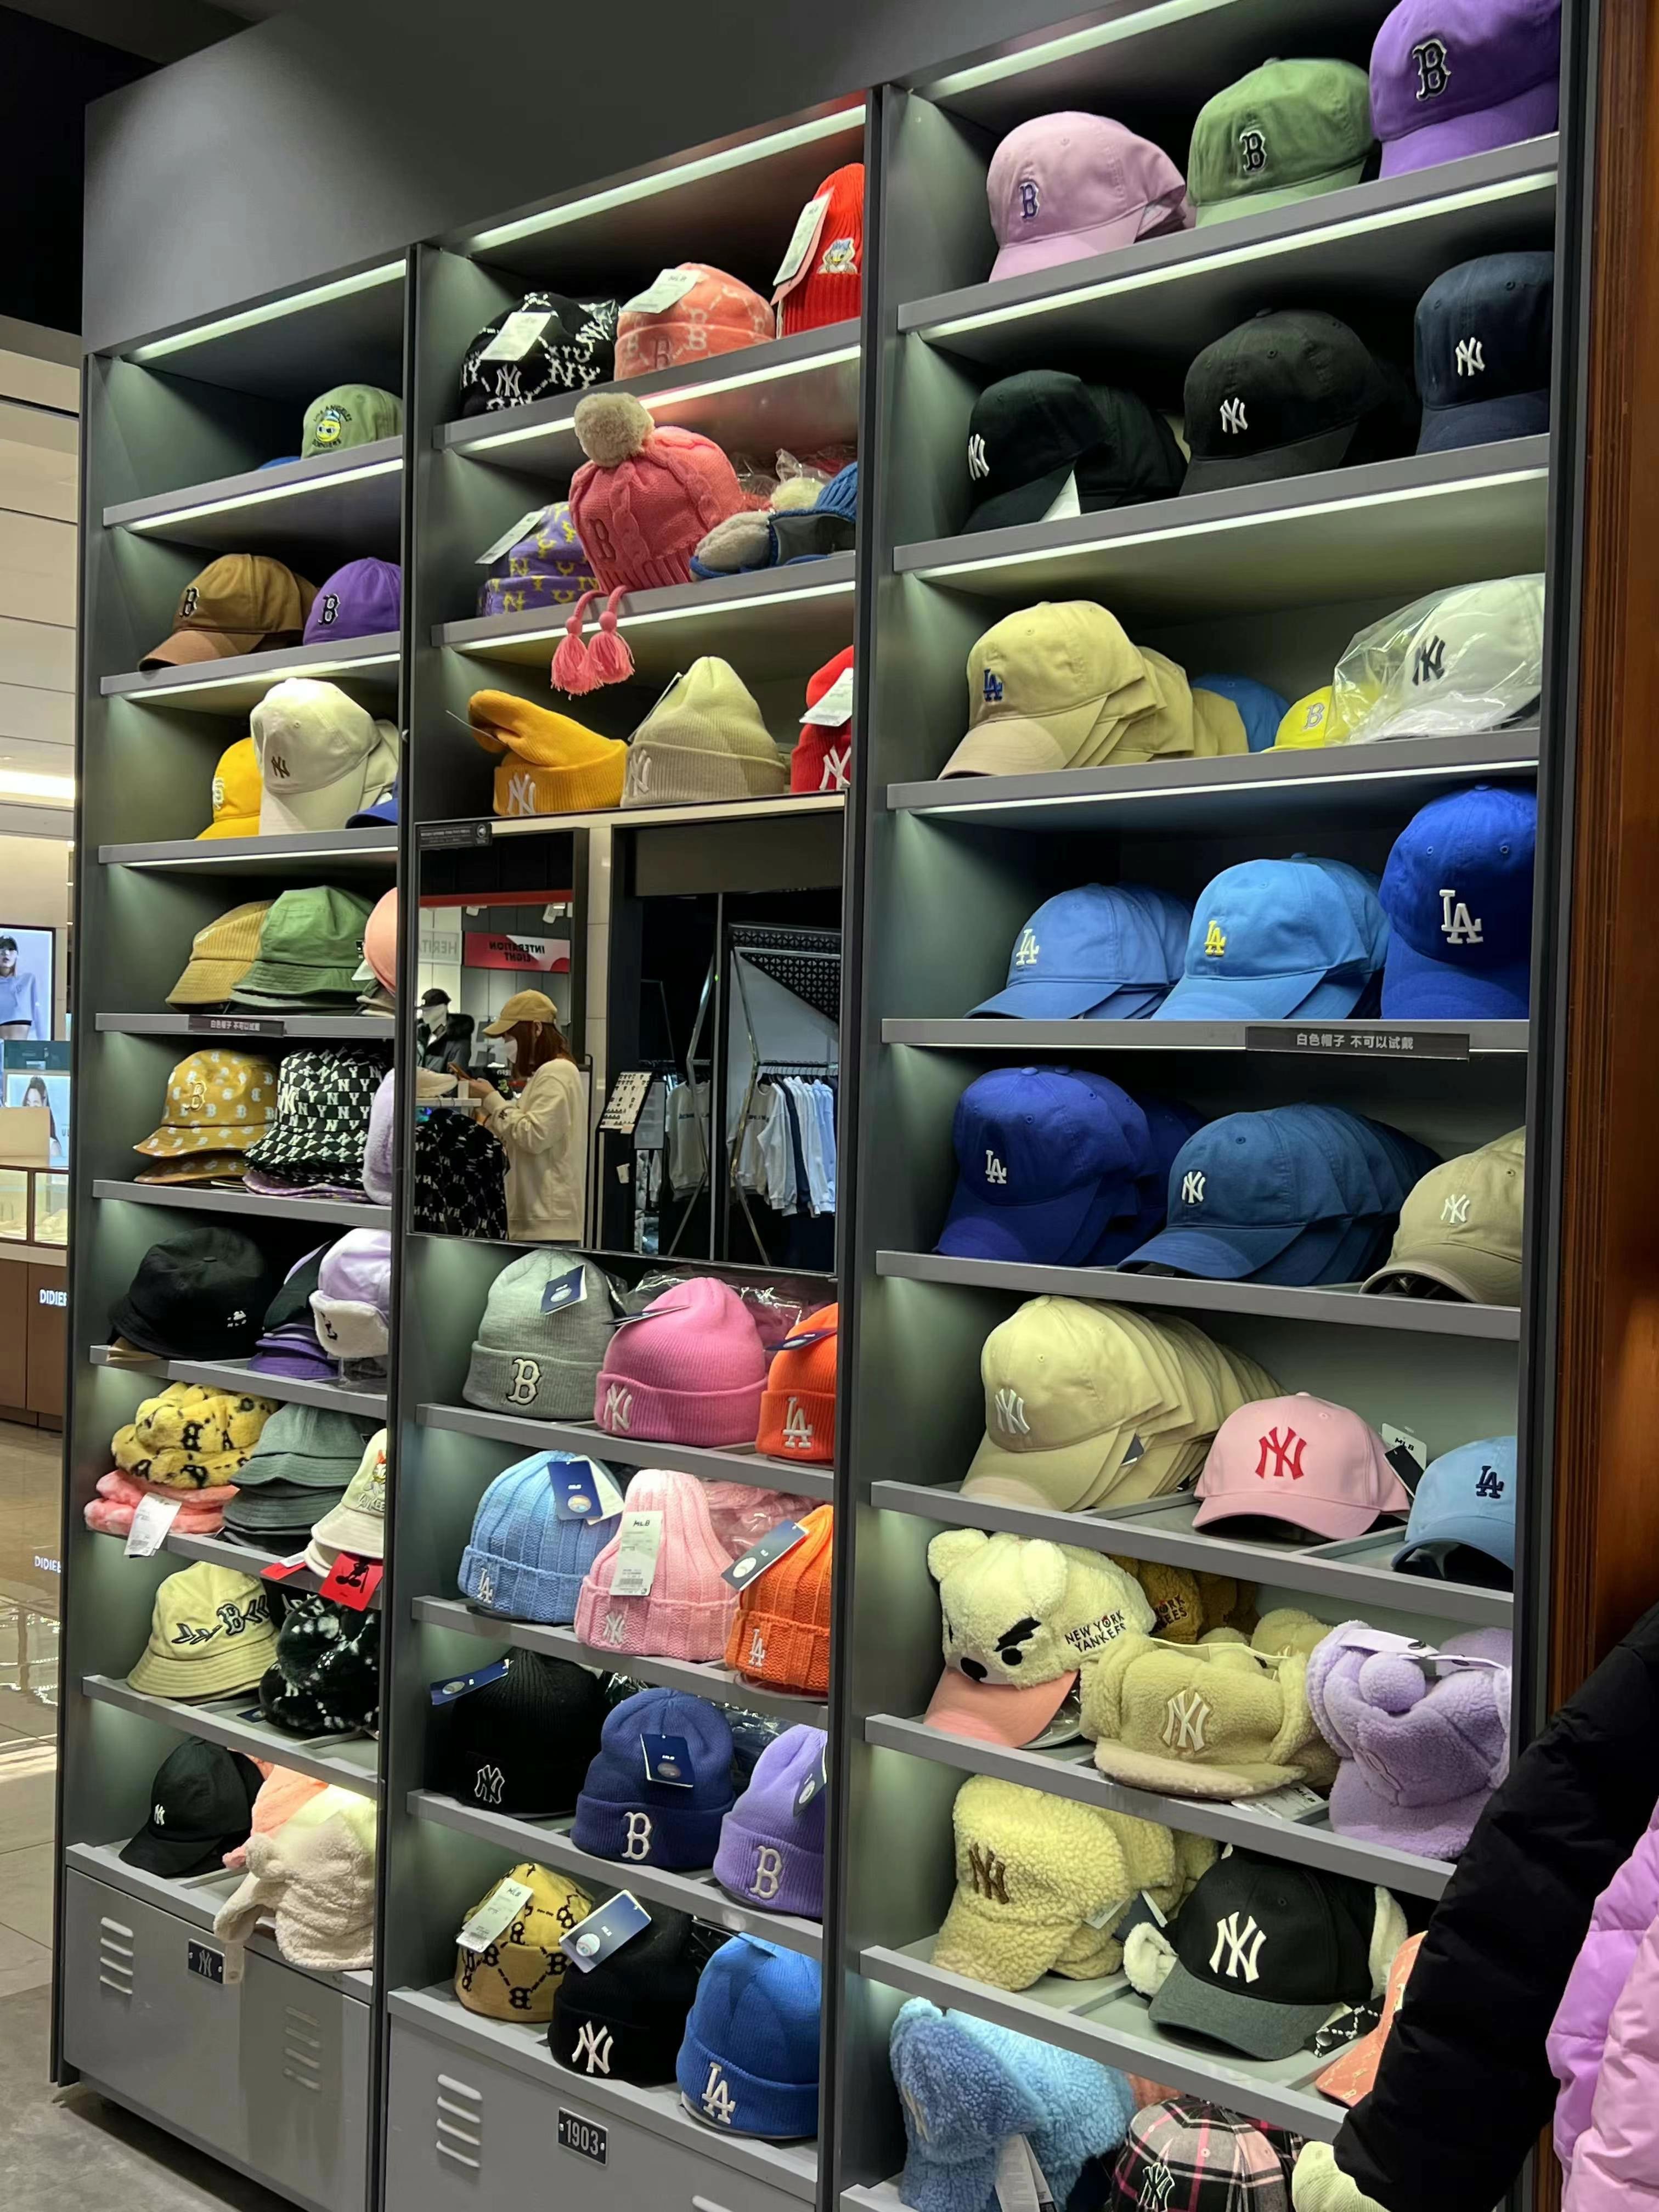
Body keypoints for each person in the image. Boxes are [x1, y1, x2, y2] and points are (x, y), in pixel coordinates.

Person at [452, 990, 585, 1243]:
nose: (506, 1044)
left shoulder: (556, 1072)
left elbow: (534, 1136)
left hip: (545, 1222)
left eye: (509, 1036)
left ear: (536, 1029)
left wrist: (492, 1099)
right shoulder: (549, 1073)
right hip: (538, 1219)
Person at [0, 936, 44, 1040]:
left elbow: (38, 1014)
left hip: (22, 1046)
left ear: (17, 955)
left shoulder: (28, 980)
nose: (6, 953)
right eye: (2, 948)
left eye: (11, 949)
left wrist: (45, 1044)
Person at [20, 1076, 61, 1165]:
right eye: (28, 1105)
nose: (30, 1111)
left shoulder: (52, 1147)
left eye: (36, 1106)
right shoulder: (18, 1144)